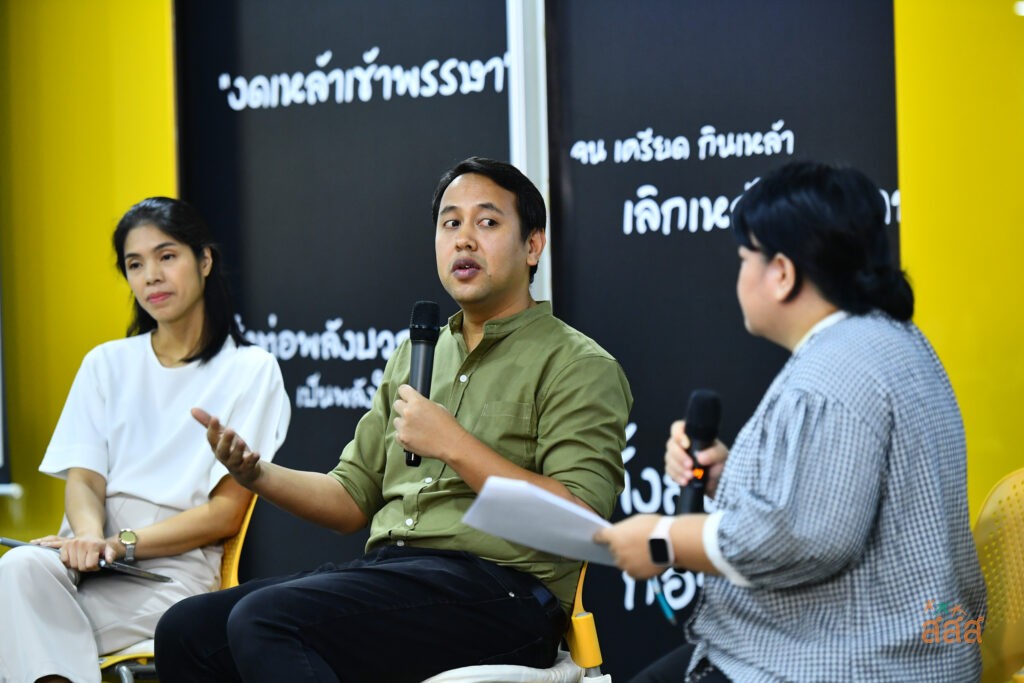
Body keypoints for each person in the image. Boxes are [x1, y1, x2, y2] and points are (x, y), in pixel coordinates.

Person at [154, 157, 633, 683]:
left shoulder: (578, 365)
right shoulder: (417, 353)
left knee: (265, 620)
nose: (464, 239)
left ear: (533, 245)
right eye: (450, 223)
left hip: (504, 593)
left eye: (487, 222)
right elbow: (349, 499)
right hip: (394, 576)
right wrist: (256, 474)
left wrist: (453, 444)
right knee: (188, 629)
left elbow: (578, 524)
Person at [595, 161, 986, 682]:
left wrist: (664, 539)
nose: (738, 275)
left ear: (781, 273)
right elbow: (835, 500)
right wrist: (726, 478)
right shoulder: (891, 341)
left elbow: (801, 539)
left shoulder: (833, 372)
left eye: (744, 259)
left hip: (852, 662)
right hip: (900, 648)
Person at [0, 197, 291, 683]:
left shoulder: (251, 370)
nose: (151, 276)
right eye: (135, 265)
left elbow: (225, 513)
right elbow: (84, 480)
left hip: (172, 574)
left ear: (204, 260)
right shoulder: (105, 363)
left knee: (22, 625)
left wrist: (122, 544)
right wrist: (89, 537)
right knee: (19, 568)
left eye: (166, 256)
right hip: (84, 559)